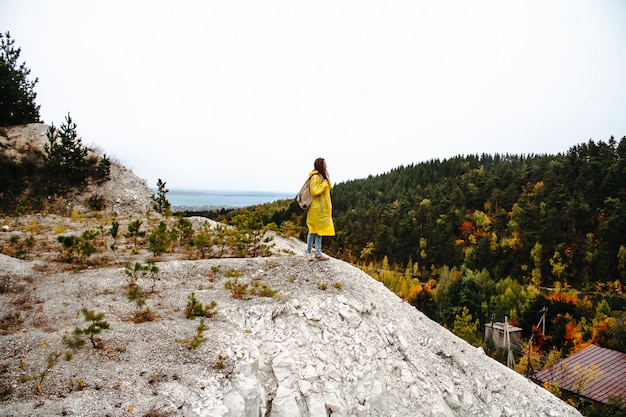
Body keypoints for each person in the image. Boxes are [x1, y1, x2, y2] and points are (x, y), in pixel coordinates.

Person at [306, 157, 335, 261]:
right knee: (313, 230)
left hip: (322, 210)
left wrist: (326, 183)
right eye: (324, 164)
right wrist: (324, 184)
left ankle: (318, 253)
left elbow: (327, 188)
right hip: (316, 209)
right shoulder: (315, 177)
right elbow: (314, 191)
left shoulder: (322, 176)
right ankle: (308, 252)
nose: (326, 165)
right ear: (320, 165)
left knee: (320, 231)